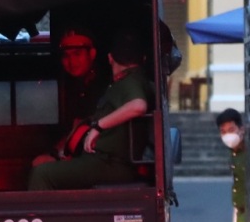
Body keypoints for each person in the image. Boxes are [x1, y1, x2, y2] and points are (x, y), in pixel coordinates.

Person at [29, 27, 155, 190]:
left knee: (42, 173)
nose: (71, 61)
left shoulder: (129, 81)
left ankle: (41, 216)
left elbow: (138, 105)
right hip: (100, 159)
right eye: (67, 56)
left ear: (109, 58)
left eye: (77, 54)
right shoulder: (118, 82)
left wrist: (98, 126)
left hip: (109, 162)